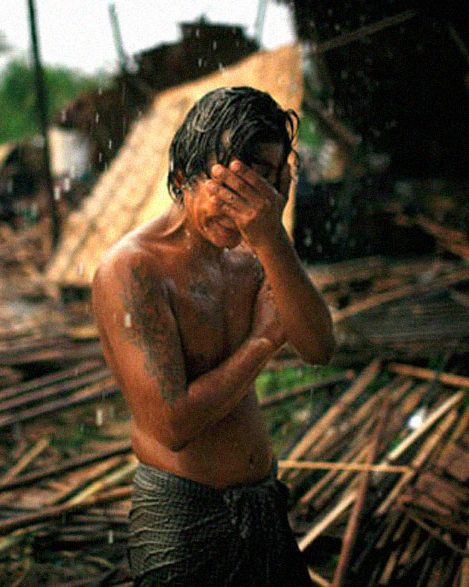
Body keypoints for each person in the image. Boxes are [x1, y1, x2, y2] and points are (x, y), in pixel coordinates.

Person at [91, 87, 334, 585]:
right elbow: (171, 424)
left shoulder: (254, 251)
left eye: (261, 191)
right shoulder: (134, 269)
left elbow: (319, 347)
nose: (243, 213)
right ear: (183, 179)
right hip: (184, 520)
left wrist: (272, 235)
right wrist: (263, 342)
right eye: (229, 194)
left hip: (264, 503)